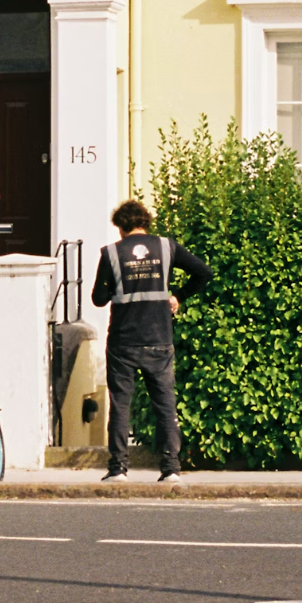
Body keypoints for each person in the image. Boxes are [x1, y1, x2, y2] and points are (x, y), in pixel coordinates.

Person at [90, 199, 211, 482]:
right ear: (145, 222)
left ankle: (118, 469)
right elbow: (204, 273)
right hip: (159, 338)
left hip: (123, 341)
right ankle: (171, 469)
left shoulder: (111, 253)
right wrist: (178, 296)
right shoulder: (167, 247)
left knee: (121, 405)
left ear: (121, 226)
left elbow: (98, 299)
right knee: (165, 404)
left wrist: (116, 286)